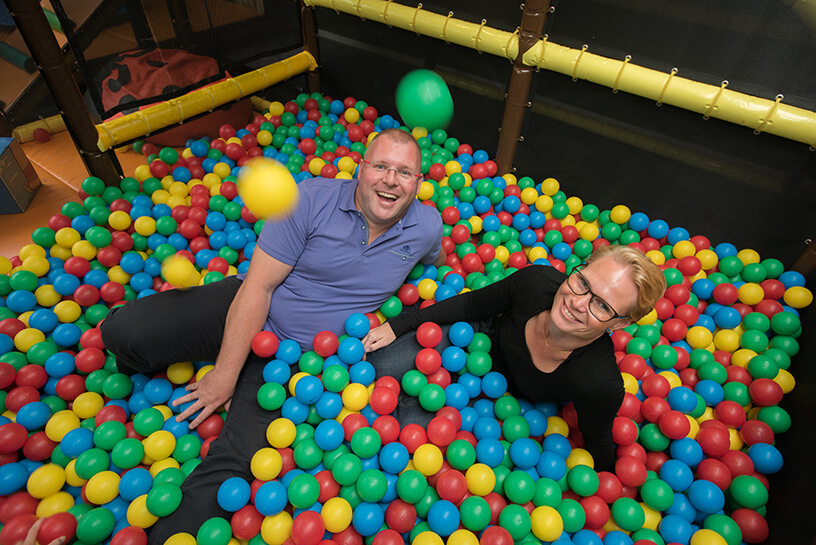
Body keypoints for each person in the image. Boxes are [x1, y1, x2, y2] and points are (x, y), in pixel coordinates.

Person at [100, 128, 444, 544]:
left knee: (236, 474)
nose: (391, 180)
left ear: (418, 184)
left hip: (297, 362)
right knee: (125, 332)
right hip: (245, 305)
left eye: (405, 172)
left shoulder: (425, 225)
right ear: (361, 169)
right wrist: (224, 374)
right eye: (382, 167)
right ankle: (149, 358)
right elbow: (258, 288)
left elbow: (435, 254)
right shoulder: (308, 198)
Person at [362, 244, 666, 471]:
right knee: (377, 365)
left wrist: (609, 488)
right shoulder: (536, 282)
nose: (576, 302)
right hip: (474, 341)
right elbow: (471, 306)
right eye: (584, 283)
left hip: (498, 403)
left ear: (620, 324)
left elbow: (597, 439)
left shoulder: (598, 382)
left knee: (404, 440)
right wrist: (400, 323)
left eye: (602, 305)